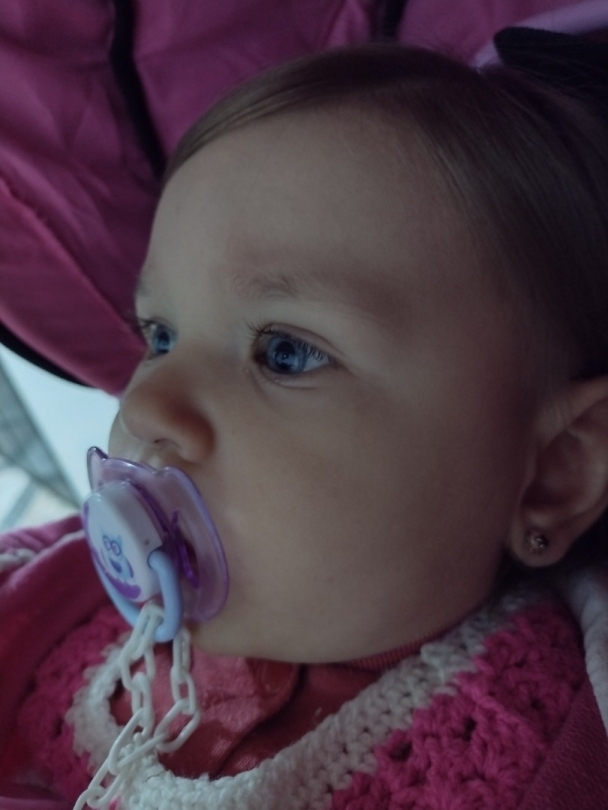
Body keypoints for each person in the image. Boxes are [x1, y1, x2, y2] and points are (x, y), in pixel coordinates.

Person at [2, 37, 608, 809]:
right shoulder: (59, 593)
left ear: (552, 472)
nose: (144, 405)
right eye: (160, 336)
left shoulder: (545, 761)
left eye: (284, 352)